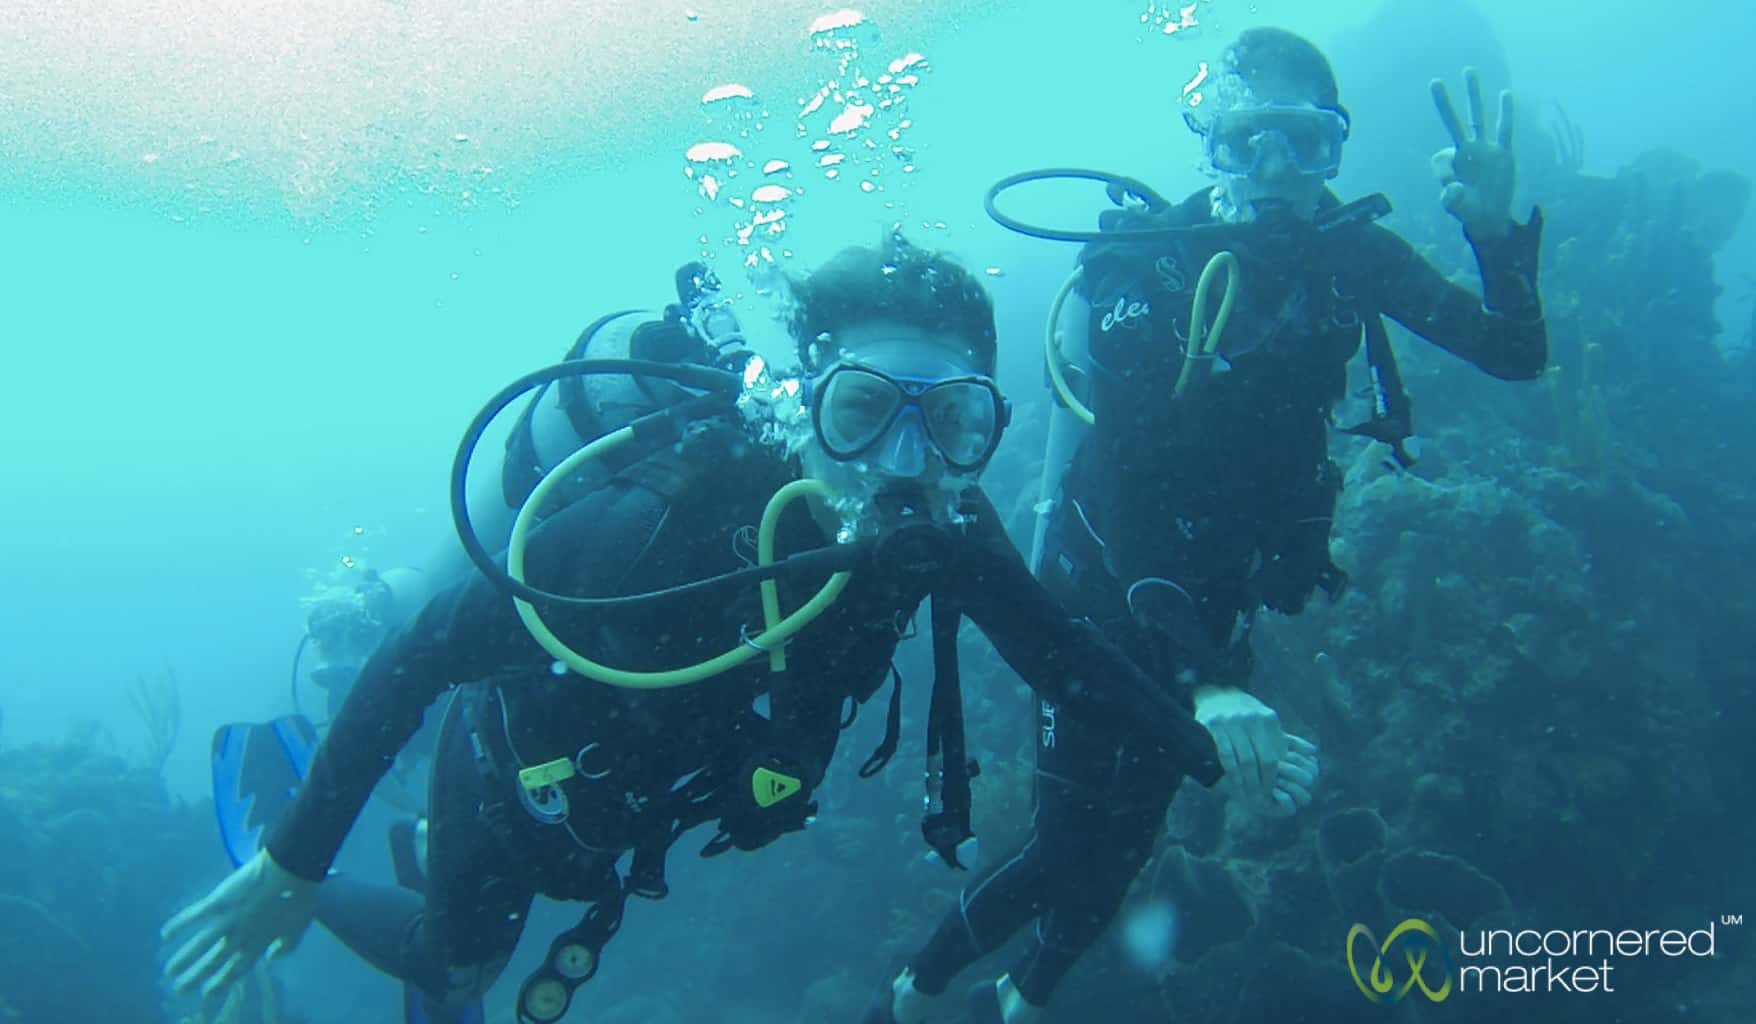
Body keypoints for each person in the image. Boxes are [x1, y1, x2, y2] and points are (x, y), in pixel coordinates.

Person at [160, 234, 1229, 1024]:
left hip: (653, 802)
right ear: (800, 402)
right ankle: (275, 824)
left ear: (979, 423)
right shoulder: (651, 526)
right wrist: (296, 863)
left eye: (949, 419)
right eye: (860, 412)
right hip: (516, 784)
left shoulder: (954, 525)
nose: (903, 465)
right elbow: (427, 647)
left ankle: (406, 851)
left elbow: (1063, 660)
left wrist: (1208, 738)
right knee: (457, 964)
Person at [871, 27, 1548, 1024]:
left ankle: (1024, 997)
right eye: (1245, 142)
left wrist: (1492, 234)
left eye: (1303, 143)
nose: (1275, 172)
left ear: (1336, 150)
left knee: (1135, 831)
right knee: (1068, 840)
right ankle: (912, 992)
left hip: (1215, 601)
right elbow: (1137, 496)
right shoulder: (1144, 274)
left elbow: (1513, 352)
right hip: (1100, 594)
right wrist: (1212, 684)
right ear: (1207, 145)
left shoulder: (1351, 255)